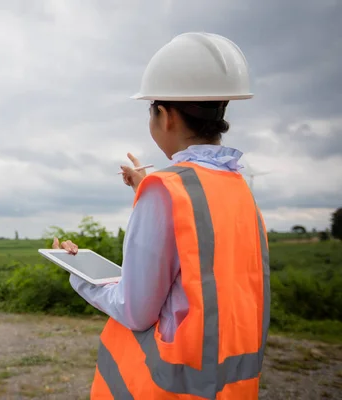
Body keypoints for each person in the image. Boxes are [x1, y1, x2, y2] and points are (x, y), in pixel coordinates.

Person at [52, 32, 270, 399]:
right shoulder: (238, 187)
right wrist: (146, 189)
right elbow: (197, 253)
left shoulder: (165, 191)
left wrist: (80, 278)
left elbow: (136, 311)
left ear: (165, 116)